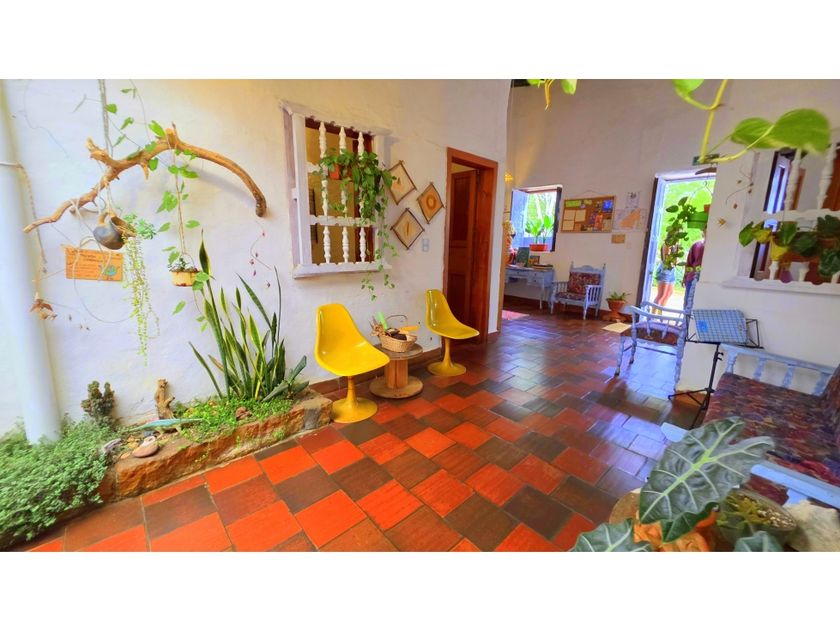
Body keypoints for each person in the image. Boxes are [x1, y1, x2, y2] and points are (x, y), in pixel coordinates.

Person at [653, 243, 677, 307]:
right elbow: (666, 260)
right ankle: (652, 313)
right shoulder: (667, 244)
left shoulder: (676, 244)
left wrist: (677, 249)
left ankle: (660, 312)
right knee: (661, 295)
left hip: (672, 270)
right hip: (665, 270)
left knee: (668, 294)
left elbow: (675, 261)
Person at [683, 230, 706, 294]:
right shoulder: (697, 245)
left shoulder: (716, 247)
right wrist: (685, 276)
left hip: (706, 280)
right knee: (689, 298)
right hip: (692, 277)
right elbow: (689, 263)